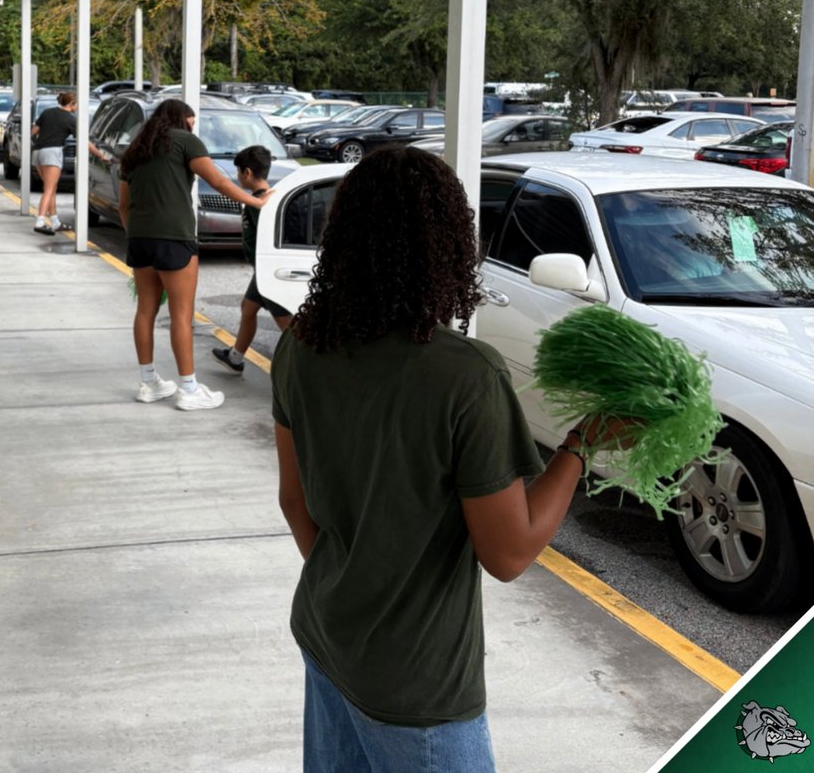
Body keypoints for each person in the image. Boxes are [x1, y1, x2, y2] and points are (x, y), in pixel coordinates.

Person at [271, 145, 632, 772]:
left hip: (328, 636)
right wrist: (581, 444)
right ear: (449, 246)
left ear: (343, 238)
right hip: (420, 687)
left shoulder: (302, 342)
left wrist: (361, 584)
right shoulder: (465, 376)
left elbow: (293, 500)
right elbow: (510, 553)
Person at [119, 99, 271, 411]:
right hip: (174, 238)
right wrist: (257, 203)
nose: (193, 124)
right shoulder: (186, 141)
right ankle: (188, 388)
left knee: (145, 311)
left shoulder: (134, 151)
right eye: (192, 119)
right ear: (183, 119)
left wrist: (136, 233)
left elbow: (124, 205)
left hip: (140, 239)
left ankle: (148, 383)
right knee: (181, 314)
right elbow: (217, 181)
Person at [212, 144, 291, 374]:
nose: (238, 178)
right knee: (248, 308)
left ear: (247, 173)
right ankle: (235, 357)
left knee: (286, 323)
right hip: (262, 270)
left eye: (238, 172)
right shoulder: (266, 199)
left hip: (268, 271)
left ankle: (304, 363)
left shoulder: (260, 204)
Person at [31, 91, 106, 234]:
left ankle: (55, 222)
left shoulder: (47, 112)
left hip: (37, 153)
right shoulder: (71, 119)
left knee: (51, 187)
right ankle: (40, 221)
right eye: (77, 104)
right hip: (52, 153)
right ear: (72, 104)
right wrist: (100, 155)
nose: (77, 107)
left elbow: (34, 131)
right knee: (49, 189)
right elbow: (84, 141)